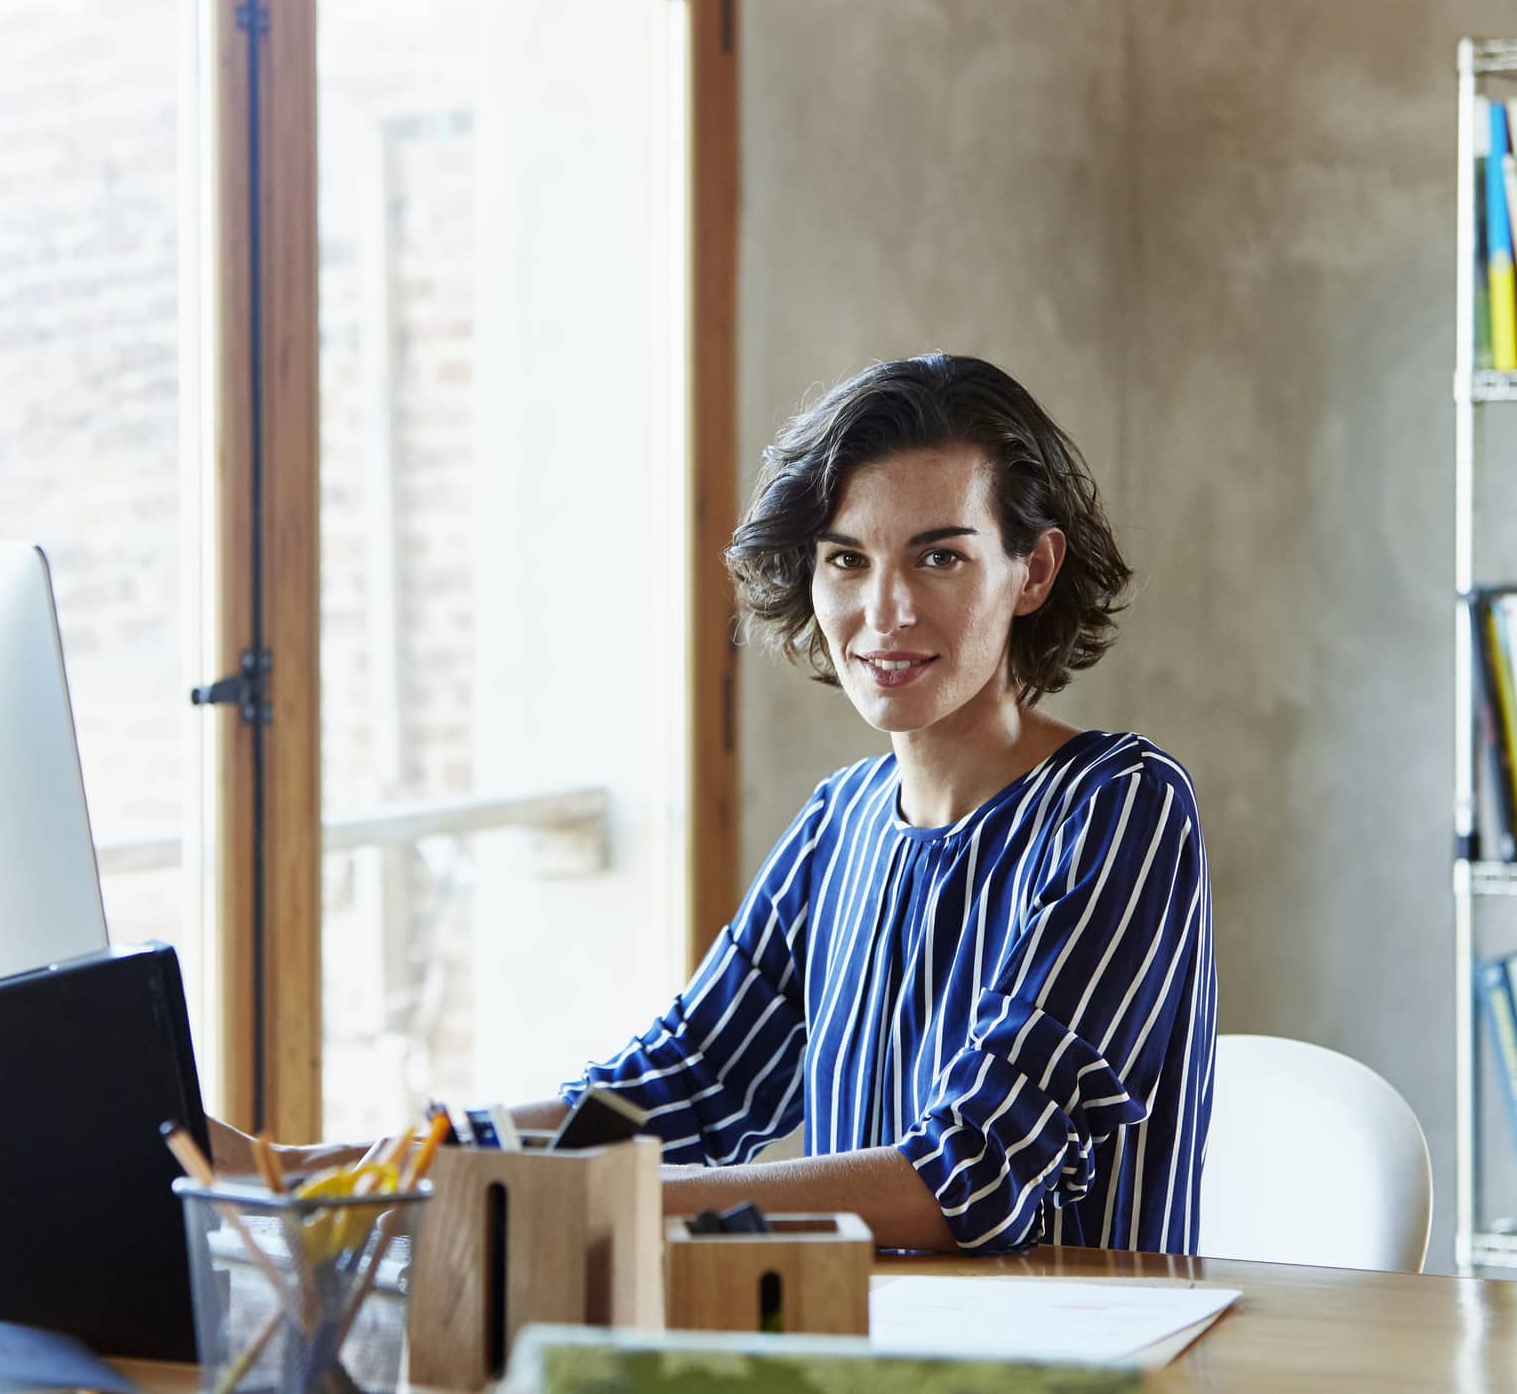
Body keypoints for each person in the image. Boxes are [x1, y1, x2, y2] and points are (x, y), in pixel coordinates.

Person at [217, 352, 1215, 1256]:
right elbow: (674, 1087)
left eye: (939, 556)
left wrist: (604, 1203)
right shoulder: (842, 824)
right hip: (866, 1358)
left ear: (1031, 570)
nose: (884, 611)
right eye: (846, 560)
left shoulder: (1121, 807)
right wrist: (319, 1169)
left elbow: (974, 1176)